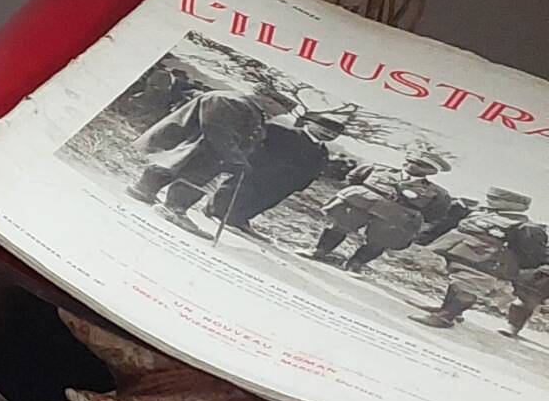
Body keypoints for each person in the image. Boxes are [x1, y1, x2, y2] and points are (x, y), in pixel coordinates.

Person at [131, 78, 286, 234]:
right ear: (269, 101)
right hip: (199, 146)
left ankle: (143, 190)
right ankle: (172, 208)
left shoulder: (245, 105)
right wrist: (236, 158)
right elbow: (219, 132)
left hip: (202, 147)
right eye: (283, 109)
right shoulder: (230, 101)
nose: (284, 113)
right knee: (191, 174)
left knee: (175, 165)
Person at [215, 103, 368, 238]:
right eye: (324, 129)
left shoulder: (322, 151)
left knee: (263, 202)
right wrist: (247, 162)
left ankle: (239, 219)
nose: (328, 134)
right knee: (238, 192)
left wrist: (299, 185)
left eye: (333, 134)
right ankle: (216, 211)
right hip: (257, 174)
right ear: (309, 123)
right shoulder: (281, 131)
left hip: (285, 185)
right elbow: (254, 145)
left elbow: (314, 171)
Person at [419, 190, 549, 336]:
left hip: (486, 261)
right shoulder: (483, 213)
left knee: (467, 287)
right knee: (457, 283)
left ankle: (445, 317)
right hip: (464, 255)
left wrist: (513, 265)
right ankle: (446, 309)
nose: (489, 200)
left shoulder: (525, 227)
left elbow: (532, 255)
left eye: (495, 198)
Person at [311, 153, 463, 271]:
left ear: (431, 171)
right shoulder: (377, 169)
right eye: (410, 161)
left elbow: (435, 213)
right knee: (340, 225)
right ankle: (320, 251)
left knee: (379, 242)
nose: (412, 165)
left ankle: (355, 264)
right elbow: (354, 179)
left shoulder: (438, 192)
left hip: (396, 217)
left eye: (420, 165)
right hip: (362, 204)